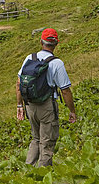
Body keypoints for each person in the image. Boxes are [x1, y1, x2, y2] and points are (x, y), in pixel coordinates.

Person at [16, 28, 76, 167]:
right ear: (56, 44)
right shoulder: (56, 63)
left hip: (30, 105)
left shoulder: (30, 58)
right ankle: (41, 178)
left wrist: (20, 105)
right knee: (47, 143)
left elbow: (19, 83)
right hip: (47, 106)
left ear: (41, 42)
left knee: (36, 139)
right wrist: (72, 111)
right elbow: (65, 90)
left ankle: (27, 171)